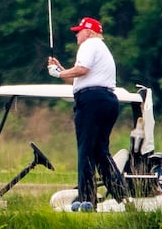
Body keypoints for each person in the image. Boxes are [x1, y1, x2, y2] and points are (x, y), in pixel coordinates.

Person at [47, 17, 128, 211]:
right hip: (107, 101)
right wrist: (61, 71)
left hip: (92, 102)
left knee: (86, 152)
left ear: (90, 32)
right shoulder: (101, 49)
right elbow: (78, 81)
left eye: (79, 31)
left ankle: (86, 200)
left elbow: (82, 70)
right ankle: (123, 196)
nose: (77, 34)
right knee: (100, 152)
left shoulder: (90, 44)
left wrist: (58, 74)